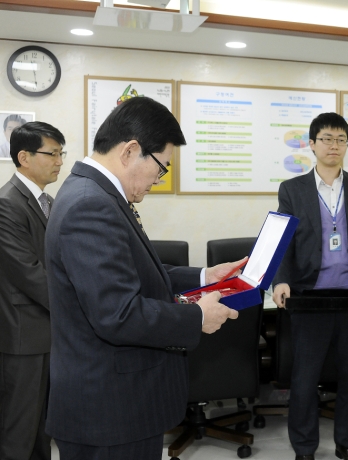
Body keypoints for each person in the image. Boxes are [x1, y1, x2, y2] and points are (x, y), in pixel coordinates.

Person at [45, 97, 244, 460]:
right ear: (130, 151)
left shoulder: (96, 195)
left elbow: (137, 273)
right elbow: (117, 314)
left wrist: (205, 275)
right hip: (111, 412)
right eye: (161, 167)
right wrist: (198, 316)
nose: (157, 178)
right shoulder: (91, 205)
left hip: (116, 404)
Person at [272, 112, 348, 460]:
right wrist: (281, 281)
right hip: (310, 296)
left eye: (340, 139)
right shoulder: (292, 190)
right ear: (312, 144)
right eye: (326, 138)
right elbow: (285, 242)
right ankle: (305, 448)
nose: (333, 145)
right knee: (305, 378)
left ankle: (347, 443)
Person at [0, 121, 66, 460]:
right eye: (52, 153)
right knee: (18, 429)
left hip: (49, 331)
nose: (59, 161)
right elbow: (30, 273)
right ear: (24, 157)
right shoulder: (7, 204)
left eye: (61, 153)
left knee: (43, 427)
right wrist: (78, 306)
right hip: (24, 336)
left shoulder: (48, 201)